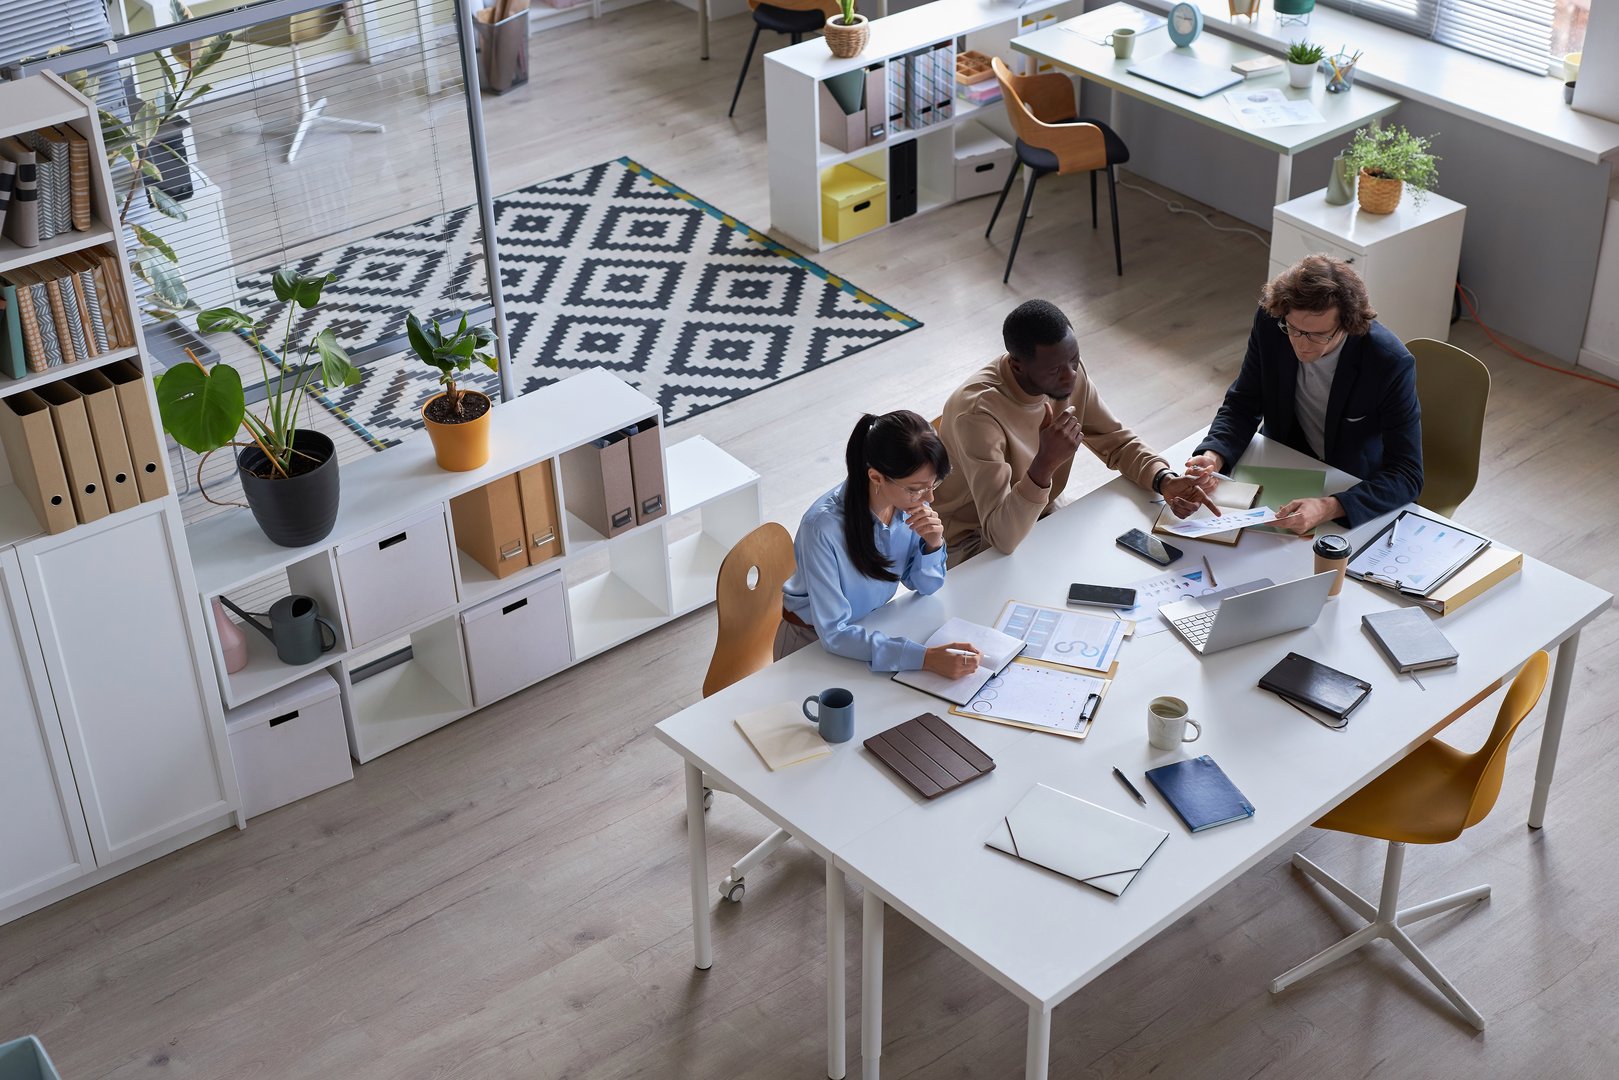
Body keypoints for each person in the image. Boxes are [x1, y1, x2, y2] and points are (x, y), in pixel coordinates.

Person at [933, 299, 1218, 559]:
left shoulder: (1067, 372)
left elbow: (1117, 443)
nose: (1071, 375)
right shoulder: (976, 415)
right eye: (1056, 369)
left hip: (1041, 513)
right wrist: (1044, 463)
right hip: (972, 541)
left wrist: (1164, 480)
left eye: (1074, 359)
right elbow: (1001, 536)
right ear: (1018, 367)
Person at [1185, 255, 1423, 532]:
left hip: (1348, 483)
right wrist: (1214, 456)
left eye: (1318, 335)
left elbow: (1407, 475)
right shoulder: (1271, 323)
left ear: (1347, 323)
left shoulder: (1388, 362)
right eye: (1294, 330)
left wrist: (1330, 506)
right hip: (1279, 462)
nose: (1301, 345)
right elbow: (1244, 402)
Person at [777, 411, 982, 677]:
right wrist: (926, 658)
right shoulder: (821, 528)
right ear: (876, 477)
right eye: (916, 488)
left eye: (933, 485)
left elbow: (926, 586)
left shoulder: (909, 501)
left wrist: (932, 545)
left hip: (868, 630)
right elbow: (834, 633)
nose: (929, 497)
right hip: (810, 645)